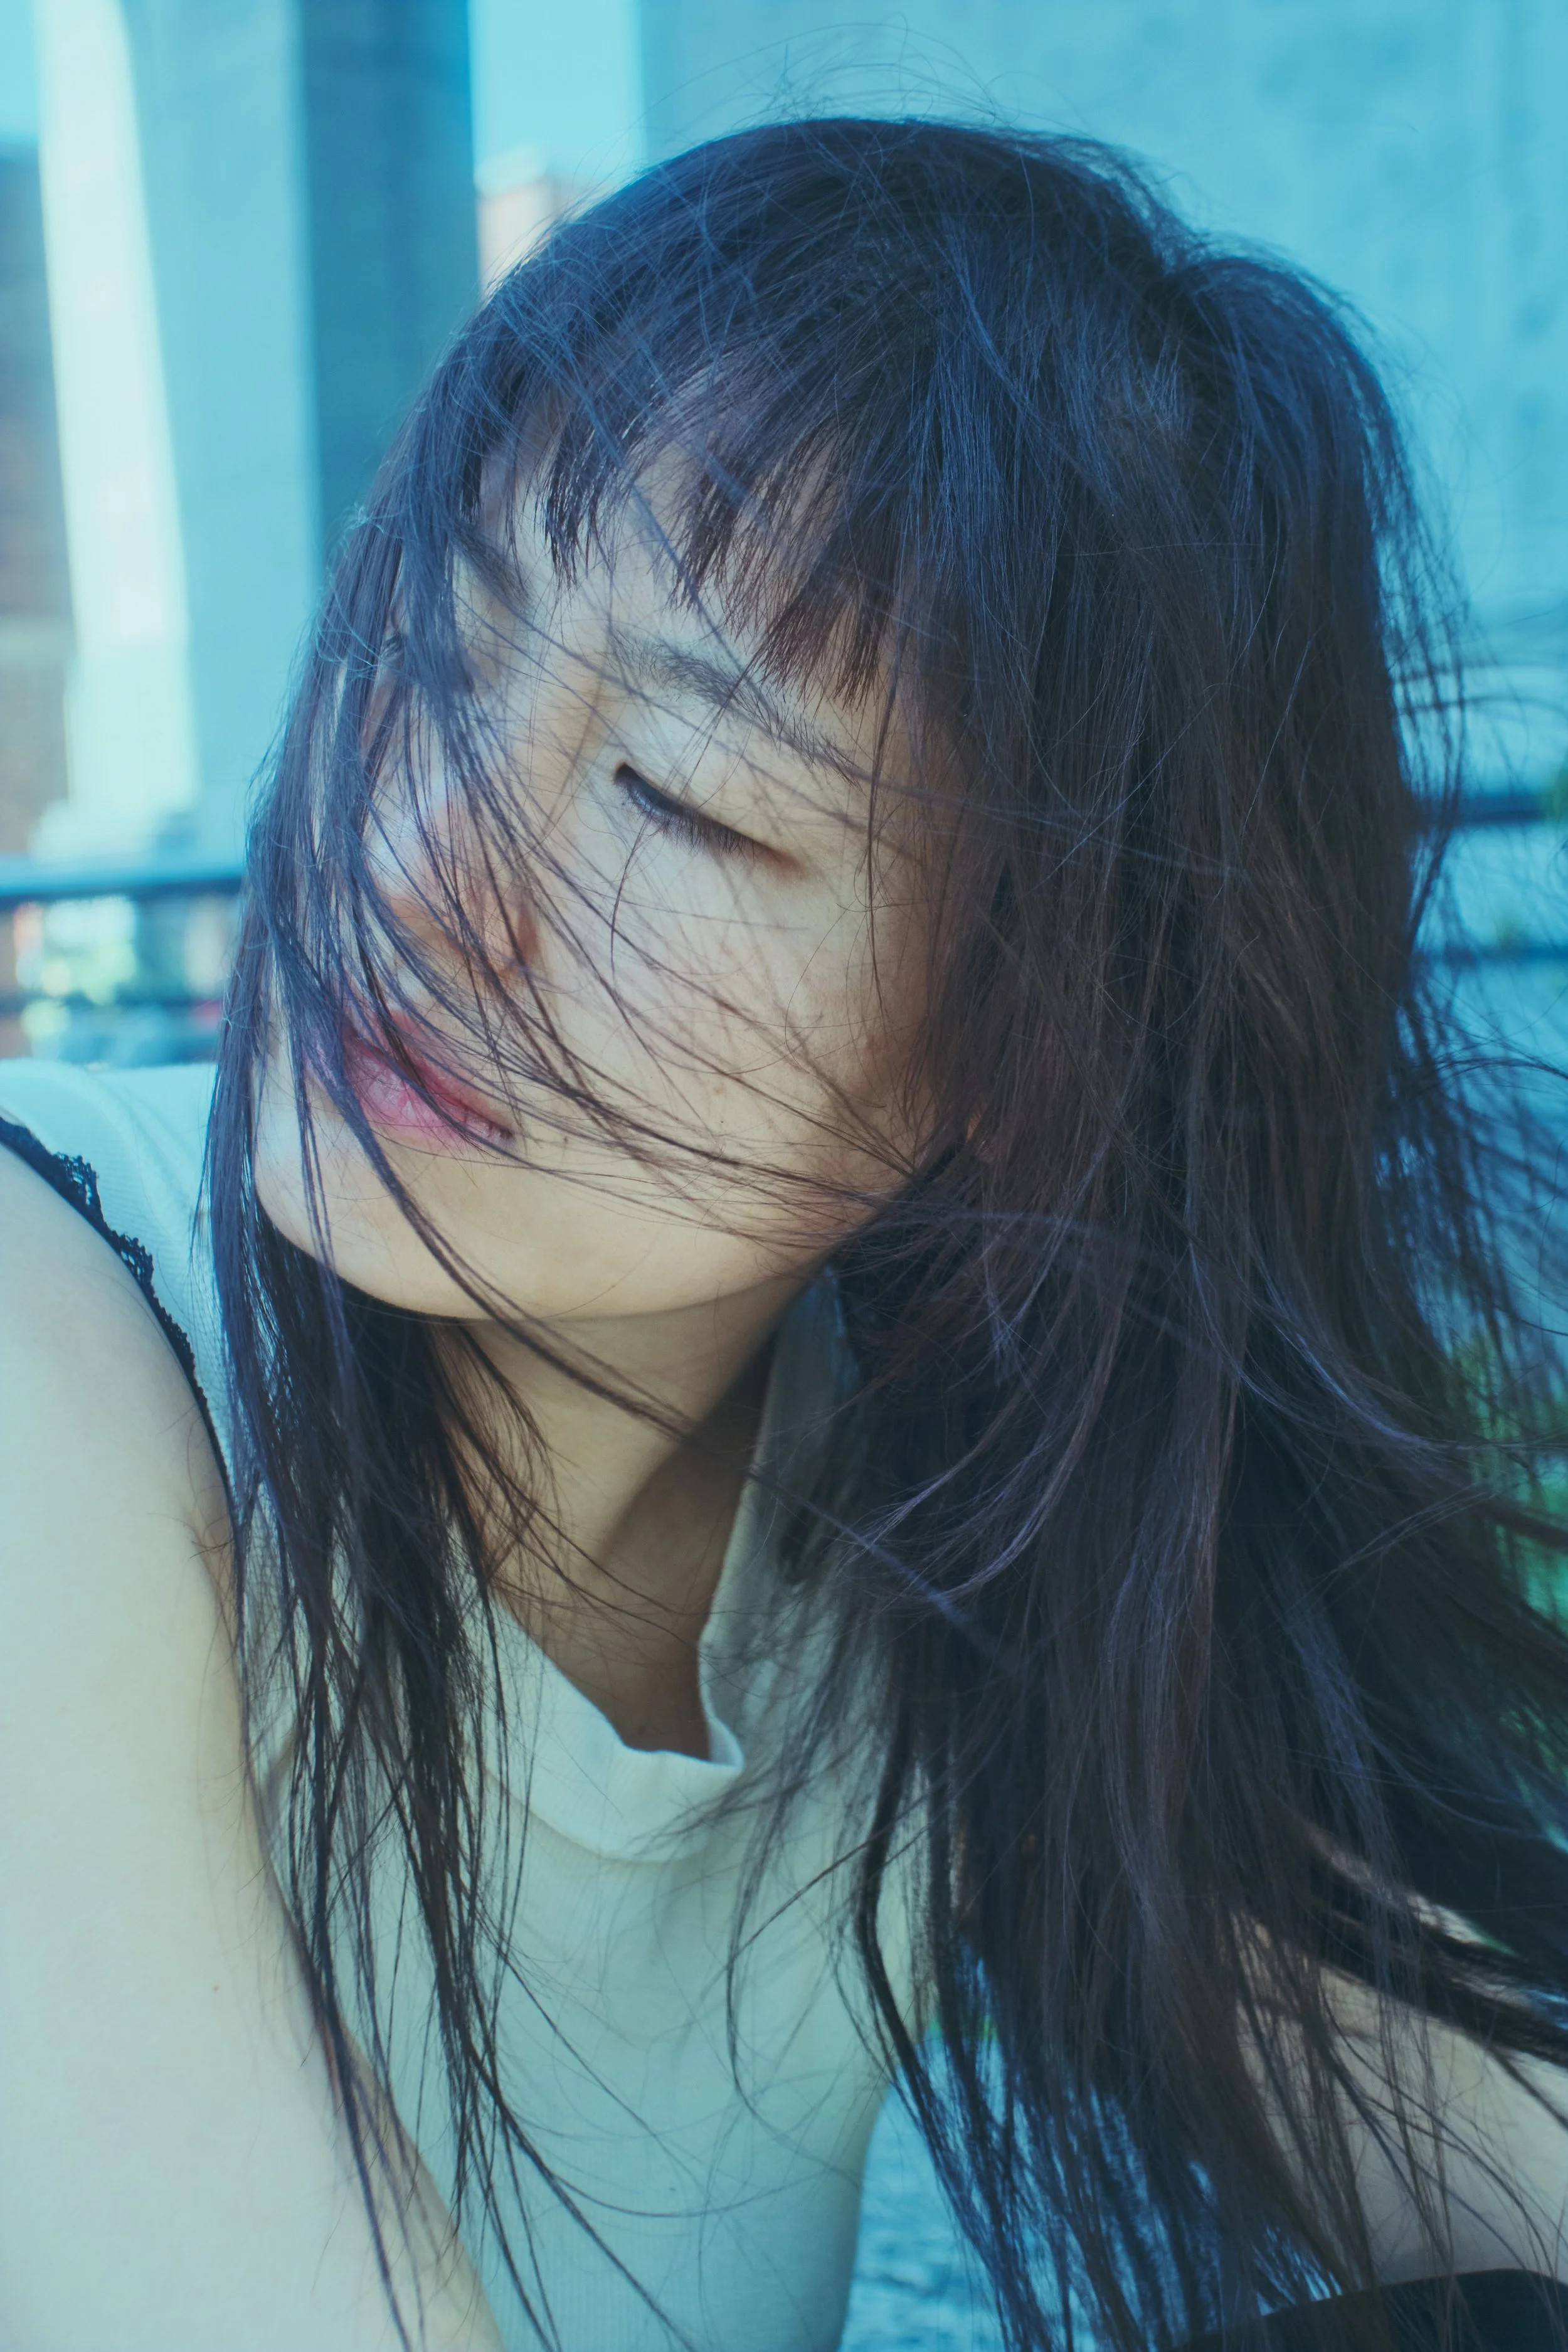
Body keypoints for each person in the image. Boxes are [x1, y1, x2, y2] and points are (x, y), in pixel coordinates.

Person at [2, 116, 1566, 2352]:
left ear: (1029, 1049)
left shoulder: (948, 1521)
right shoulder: (49, 1337)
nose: (412, 871)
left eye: (676, 800)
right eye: (436, 651)